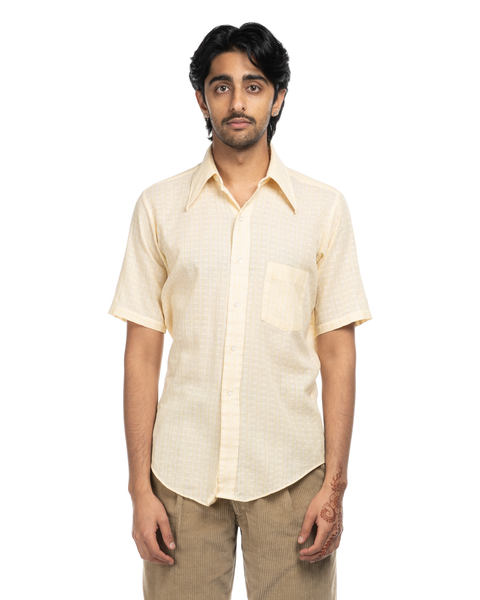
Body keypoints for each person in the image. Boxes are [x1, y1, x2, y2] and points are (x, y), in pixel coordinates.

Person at [108, 21, 373, 600]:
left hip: (292, 477)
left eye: (254, 86)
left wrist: (334, 487)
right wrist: (139, 490)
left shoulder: (323, 209)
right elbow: (142, 356)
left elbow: (338, 355)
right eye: (221, 86)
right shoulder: (158, 207)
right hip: (180, 480)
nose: (237, 101)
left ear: (278, 98)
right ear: (201, 98)